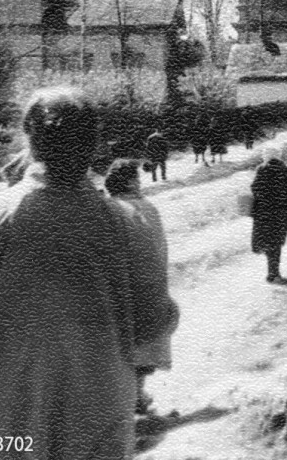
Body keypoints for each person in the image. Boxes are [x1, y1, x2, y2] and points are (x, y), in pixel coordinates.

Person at [0, 86, 179, 460]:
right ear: (94, 146)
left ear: (29, 140)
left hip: (8, 421)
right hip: (100, 420)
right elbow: (155, 321)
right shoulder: (126, 222)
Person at [104, 159, 174, 416]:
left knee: (120, 346)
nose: (140, 182)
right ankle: (135, 396)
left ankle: (128, 397)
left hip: (116, 290)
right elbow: (160, 251)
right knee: (141, 346)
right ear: (131, 182)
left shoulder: (106, 208)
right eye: (137, 178)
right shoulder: (146, 208)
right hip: (147, 287)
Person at [250, 151, 287, 283]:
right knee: (276, 242)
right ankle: (274, 272)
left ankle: (271, 271)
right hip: (280, 213)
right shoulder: (286, 171)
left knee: (268, 241)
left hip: (264, 212)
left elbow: (254, 189)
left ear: (266, 158)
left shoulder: (261, 170)